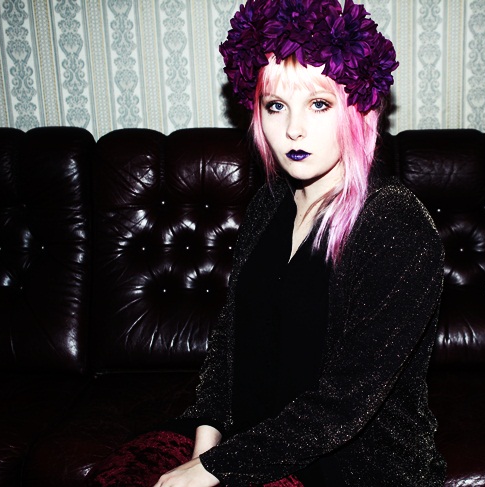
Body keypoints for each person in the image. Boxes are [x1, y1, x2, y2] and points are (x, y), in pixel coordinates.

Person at [90, 1, 445, 486]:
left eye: (319, 104)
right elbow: (229, 341)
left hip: (354, 467)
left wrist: (214, 469)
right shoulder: (270, 202)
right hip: (253, 442)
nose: (293, 129)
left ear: (359, 108)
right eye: (276, 106)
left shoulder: (396, 225)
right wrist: (205, 445)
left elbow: (343, 405)